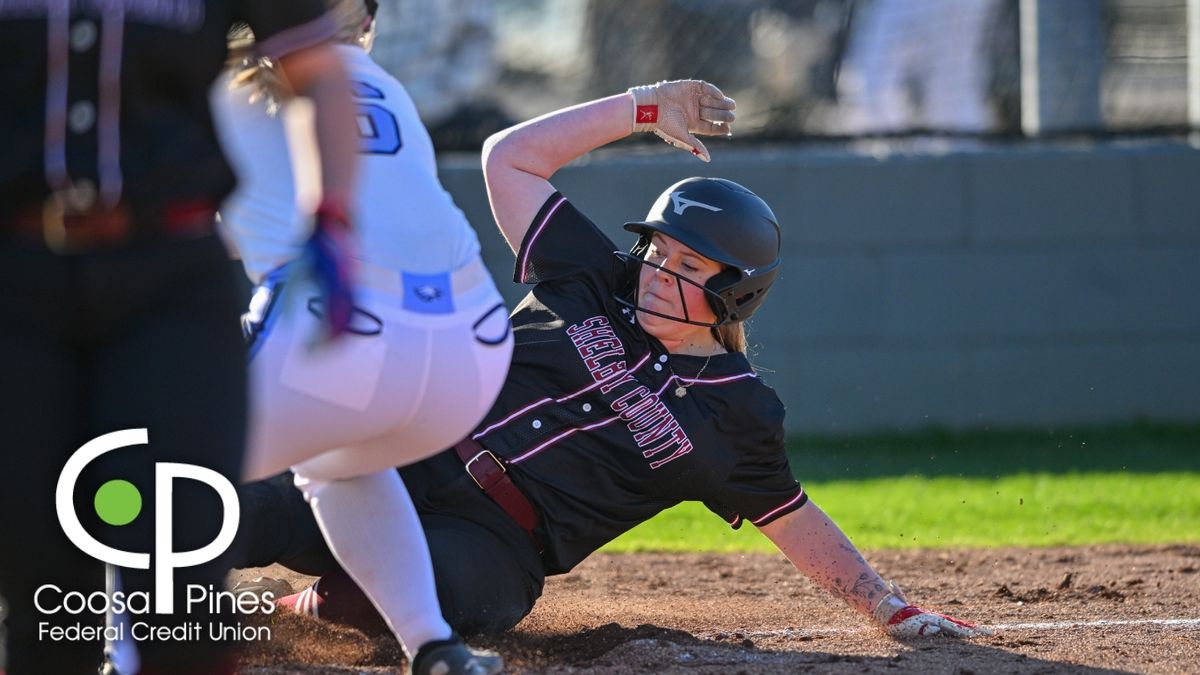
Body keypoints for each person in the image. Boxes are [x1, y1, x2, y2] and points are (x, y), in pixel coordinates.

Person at [236, 79, 989, 642]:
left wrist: (889, 606)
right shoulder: (593, 275)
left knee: (450, 602)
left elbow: (791, 517)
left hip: (498, 541)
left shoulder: (740, 412)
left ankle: (275, 615)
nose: (661, 270)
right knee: (249, 504)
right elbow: (510, 160)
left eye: (691, 266)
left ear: (737, 295)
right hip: (410, 449)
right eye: (658, 251)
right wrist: (643, 106)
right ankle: (137, 605)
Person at [0, 3, 359, 674]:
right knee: (42, 584)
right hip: (14, 284)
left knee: (180, 566)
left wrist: (332, 215)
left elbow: (316, 70)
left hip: (168, 280)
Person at [211, 1, 511, 673]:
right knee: (339, 464)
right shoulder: (386, 88)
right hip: (473, 351)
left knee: (134, 446)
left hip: (341, 340)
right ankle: (435, 645)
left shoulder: (231, 87)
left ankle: (115, 642)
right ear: (366, 27)